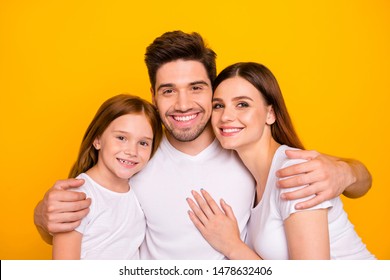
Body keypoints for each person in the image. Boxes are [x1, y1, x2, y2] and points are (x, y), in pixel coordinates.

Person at [34, 31, 372, 259]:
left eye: (196, 88)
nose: (182, 104)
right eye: (168, 91)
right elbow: (94, 222)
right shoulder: (136, 157)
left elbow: (352, 180)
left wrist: (346, 172)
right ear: (153, 95)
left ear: (213, 90)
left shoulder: (245, 146)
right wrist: (42, 218)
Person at [187, 62, 376, 259]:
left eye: (242, 104)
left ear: (270, 114)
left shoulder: (294, 173)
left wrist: (232, 246)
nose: (226, 116)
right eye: (218, 106)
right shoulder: (251, 175)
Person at [52, 94, 162, 259]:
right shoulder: (78, 197)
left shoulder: (138, 192)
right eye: (121, 138)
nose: (132, 151)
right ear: (97, 140)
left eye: (143, 143)